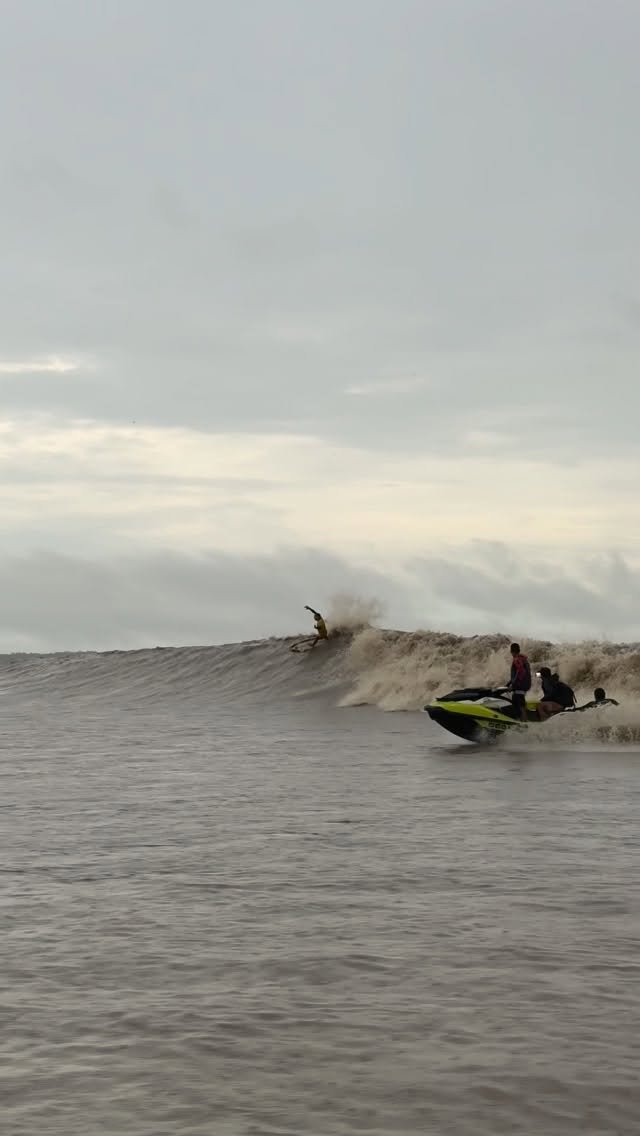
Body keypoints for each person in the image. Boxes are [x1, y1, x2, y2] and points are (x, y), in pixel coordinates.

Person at [506, 642, 531, 721]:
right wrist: (508, 683)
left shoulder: (517, 659)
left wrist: (513, 685)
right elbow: (518, 673)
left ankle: (524, 722)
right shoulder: (523, 658)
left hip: (520, 685)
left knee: (520, 704)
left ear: (511, 651)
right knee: (515, 701)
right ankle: (519, 721)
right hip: (524, 684)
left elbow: (521, 672)